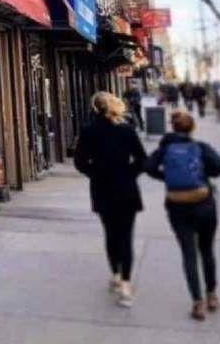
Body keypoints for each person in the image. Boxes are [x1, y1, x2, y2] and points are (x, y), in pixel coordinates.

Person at [145, 111, 220, 320]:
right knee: (207, 251)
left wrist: (167, 177)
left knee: (188, 253)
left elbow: (148, 167)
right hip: (204, 204)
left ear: (174, 128)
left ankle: (197, 303)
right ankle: (212, 295)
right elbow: (219, 166)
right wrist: (203, 174)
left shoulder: (165, 149)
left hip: (177, 206)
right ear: (192, 129)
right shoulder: (200, 147)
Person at [74, 91, 147, 308]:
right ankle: (125, 283)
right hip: (126, 189)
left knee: (111, 234)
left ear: (94, 108)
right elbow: (142, 159)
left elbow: (80, 162)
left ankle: (116, 273)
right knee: (126, 236)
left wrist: (95, 173)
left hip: (102, 188)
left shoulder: (88, 131)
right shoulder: (126, 129)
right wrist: (129, 173)